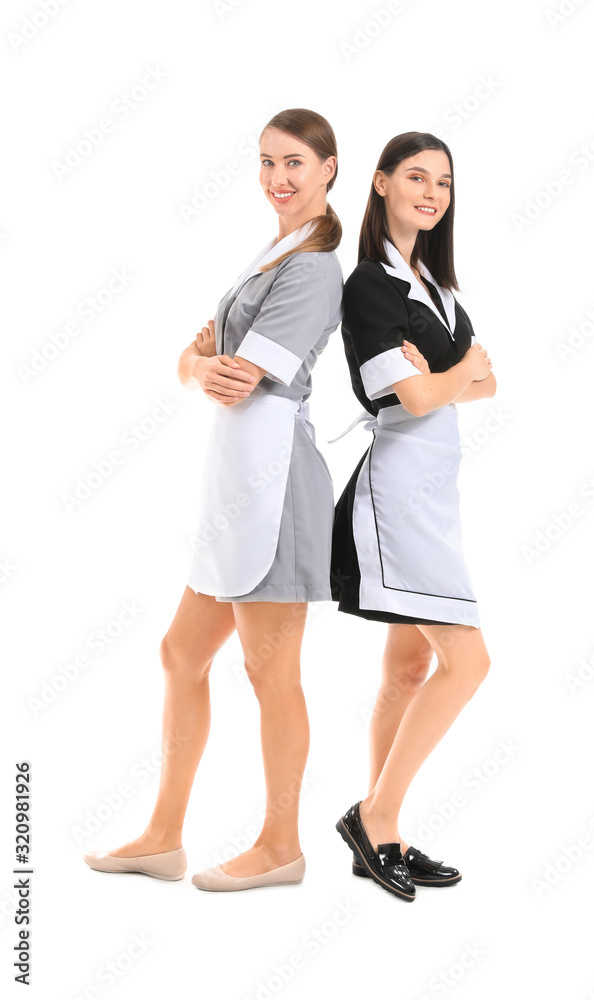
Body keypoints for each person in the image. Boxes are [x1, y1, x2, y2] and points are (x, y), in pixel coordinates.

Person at [83, 108, 343, 892]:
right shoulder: (275, 253)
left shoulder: (314, 266)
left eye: (294, 162)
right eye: (266, 162)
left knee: (272, 674)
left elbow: (229, 379)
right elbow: (196, 367)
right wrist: (198, 366)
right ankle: (163, 837)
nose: (278, 178)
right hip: (234, 487)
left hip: (277, 489)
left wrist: (202, 365)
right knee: (181, 653)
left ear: (329, 167)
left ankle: (280, 845)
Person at [330, 131, 494, 902]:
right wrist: (455, 373)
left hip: (437, 494)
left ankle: (382, 835)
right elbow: (419, 396)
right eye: (416, 177)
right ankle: (375, 815)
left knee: (409, 665)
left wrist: (450, 373)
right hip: (394, 496)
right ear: (380, 184)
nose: (431, 193)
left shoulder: (435, 285)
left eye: (444, 182)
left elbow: (486, 383)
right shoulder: (370, 285)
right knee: (468, 662)